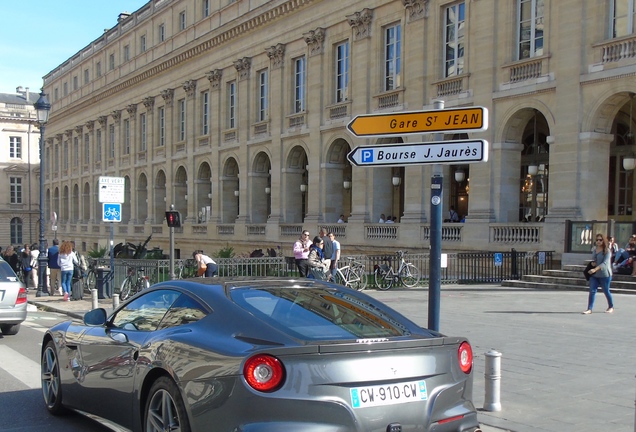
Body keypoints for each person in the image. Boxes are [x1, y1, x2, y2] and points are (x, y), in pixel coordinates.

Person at [582, 234, 614, 314]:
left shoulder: (607, 251)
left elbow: (605, 263)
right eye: (597, 240)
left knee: (606, 291)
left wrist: (595, 269)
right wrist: (593, 263)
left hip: (604, 274)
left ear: (604, 241)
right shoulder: (595, 249)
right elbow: (594, 259)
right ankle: (589, 309)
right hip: (595, 275)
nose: (598, 241)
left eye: (600, 240)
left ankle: (611, 307)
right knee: (592, 291)